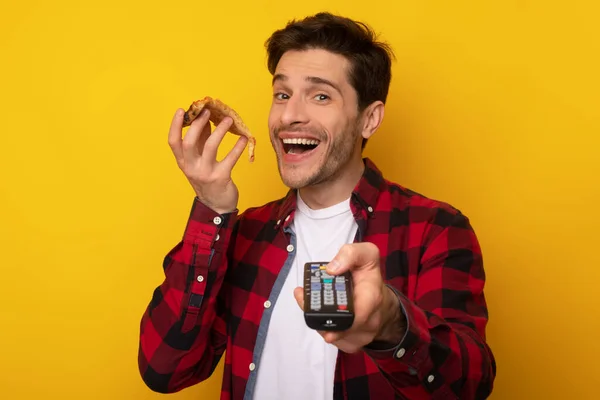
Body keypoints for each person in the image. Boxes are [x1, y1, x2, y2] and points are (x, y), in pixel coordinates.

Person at [137, 12, 496, 400]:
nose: (290, 116)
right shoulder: (247, 234)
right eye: (282, 94)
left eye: (321, 96)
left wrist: (392, 322)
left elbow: (467, 388)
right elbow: (165, 368)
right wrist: (212, 208)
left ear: (370, 119)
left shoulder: (435, 229)